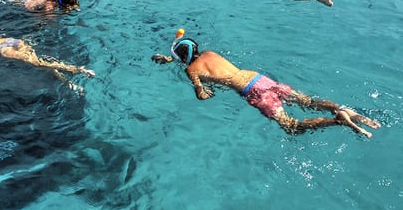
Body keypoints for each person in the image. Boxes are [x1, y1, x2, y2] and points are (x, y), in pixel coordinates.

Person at [152, 31, 379, 137]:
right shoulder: (210, 53)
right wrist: (171, 58)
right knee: (308, 102)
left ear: (182, 58)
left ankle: (337, 121)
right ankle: (338, 107)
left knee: (291, 126)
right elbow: (193, 58)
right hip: (259, 78)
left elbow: (200, 92)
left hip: (252, 92)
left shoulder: (191, 70)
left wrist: (202, 90)